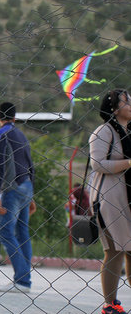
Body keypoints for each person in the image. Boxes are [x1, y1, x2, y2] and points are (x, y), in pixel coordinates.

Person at [89, 89, 131, 314]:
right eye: (127, 101)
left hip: (128, 198)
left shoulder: (130, 131)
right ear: (114, 108)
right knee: (114, 250)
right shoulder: (103, 131)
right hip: (110, 198)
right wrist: (128, 163)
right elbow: (98, 164)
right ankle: (110, 304)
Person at [0, 101, 36, 293]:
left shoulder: (1, 134)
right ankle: (24, 279)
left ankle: (22, 278)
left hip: (12, 187)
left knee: (5, 233)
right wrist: (31, 194)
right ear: (15, 118)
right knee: (22, 232)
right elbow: (30, 165)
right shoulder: (21, 135)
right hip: (26, 185)